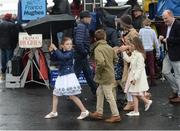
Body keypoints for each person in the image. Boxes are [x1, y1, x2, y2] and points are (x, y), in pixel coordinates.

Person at [44, 37, 89, 119]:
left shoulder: (71, 52)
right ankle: (54, 112)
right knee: (55, 94)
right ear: (62, 46)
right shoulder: (61, 52)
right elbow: (54, 59)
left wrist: (55, 48)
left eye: (70, 44)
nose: (69, 46)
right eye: (67, 44)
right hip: (62, 75)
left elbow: (62, 57)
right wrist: (51, 51)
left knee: (71, 95)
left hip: (68, 76)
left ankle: (84, 111)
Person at [90, 29, 121, 123]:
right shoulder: (109, 47)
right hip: (110, 74)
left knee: (109, 96)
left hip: (104, 75)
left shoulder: (98, 49)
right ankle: (99, 112)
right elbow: (116, 59)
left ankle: (116, 115)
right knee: (99, 92)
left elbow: (101, 63)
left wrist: (97, 72)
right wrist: (110, 66)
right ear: (105, 37)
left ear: (95, 39)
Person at [122, 37, 152, 116]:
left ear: (136, 45)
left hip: (136, 77)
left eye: (132, 45)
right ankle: (136, 111)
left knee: (135, 93)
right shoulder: (135, 53)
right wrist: (124, 52)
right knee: (134, 93)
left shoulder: (139, 55)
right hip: (133, 76)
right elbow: (129, 60)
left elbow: (139, 68)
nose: (130, 47)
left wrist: (135, 78)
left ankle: (146, 102)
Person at [159, 10, 180, 103]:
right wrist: (161, 36)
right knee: (165, 71)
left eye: (166, 18)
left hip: (177, 53)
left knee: (178, 76)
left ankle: (179, 94)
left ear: (171, 16)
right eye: (163, 18)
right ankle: (176, 89)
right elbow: (165, 34)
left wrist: (167, 39)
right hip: (169, 52)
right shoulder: (167, 25)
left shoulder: (178, 25)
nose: (164, 20)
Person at [118, 15, 139, 111]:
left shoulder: (134, 33)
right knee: (127, 81)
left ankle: (131, 102)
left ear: (125, 23)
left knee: (127, 81)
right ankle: (136, 99)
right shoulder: (126, 32)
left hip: (132, 60)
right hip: (127, 59)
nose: (120, 24)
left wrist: (126, 47)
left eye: (121, 23)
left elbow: (138, 46)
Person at [74, 10, 97, 95]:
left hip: (81, 54)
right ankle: (71, 92)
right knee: (78, 74)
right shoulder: (81, 27)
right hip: (81, 54)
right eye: (89, 17)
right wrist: (84, 51)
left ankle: (95, 90)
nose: (90, 19)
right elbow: (79, 42)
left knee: (88, 73)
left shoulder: (82, 26)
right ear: (85, 18)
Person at [139, 18, 160, 86]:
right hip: (150, 51)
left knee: (142, 66)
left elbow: (139, 41)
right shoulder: (152, 31)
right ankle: (153, 81)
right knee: (151, 66)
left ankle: (143, 82)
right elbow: (156, 42)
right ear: (150, 23)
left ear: (143, 23)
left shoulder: (141, 31)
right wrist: (158, 52)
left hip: (143, 51)